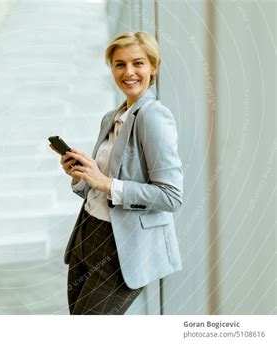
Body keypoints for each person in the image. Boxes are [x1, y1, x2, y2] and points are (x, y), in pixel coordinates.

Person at [49, 32, 183, 315]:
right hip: (87, 233)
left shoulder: (153, 116)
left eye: (138, 63)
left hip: (122, 248)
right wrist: (81, 174)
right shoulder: (112, 117)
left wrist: (106, 182)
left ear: (153, 67)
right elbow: (97, 186)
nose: (128, 72)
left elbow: (171, 196)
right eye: (119, 64)